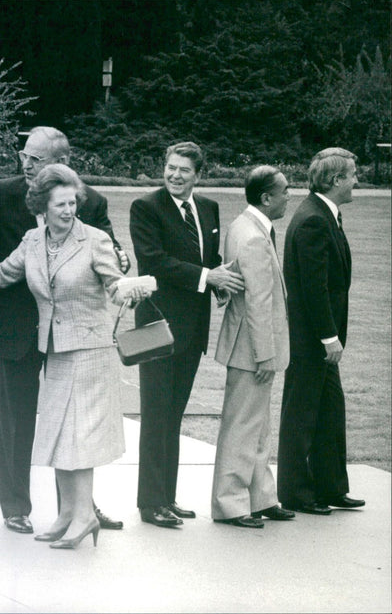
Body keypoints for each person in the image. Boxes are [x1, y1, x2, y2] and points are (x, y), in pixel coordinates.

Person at [0, 126, 128, 534]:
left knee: (72, 422)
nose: (25, 164)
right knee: (16, 419)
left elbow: (111, 252)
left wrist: (121, 266)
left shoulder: (88, 202)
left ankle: (76, 509)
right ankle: (15, 506)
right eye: (24, 155)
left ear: (62, 161)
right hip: (15, 326)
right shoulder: (3, 192)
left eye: (35, 159)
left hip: (70, 335)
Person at [0, 164, 151, 549]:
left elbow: (113, 283)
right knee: (59, 433)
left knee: (80, 437)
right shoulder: (32, 240)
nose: (68, 210)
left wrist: (127, 289)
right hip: (55, 350)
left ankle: (84, 516)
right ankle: (66, 515)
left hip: (89, 350)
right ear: (41, 206)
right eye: (60, 204)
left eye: (72, 202)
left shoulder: (93, 240)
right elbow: (1, 274)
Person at [129, 141, 245, 528]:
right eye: (170, 167)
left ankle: (168, 496)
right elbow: (154, 261)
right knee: (156, 414)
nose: (174, 175)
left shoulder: (208, 208)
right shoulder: (146, 208)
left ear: (198, 175)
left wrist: (219, 282)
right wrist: (205, 277)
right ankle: (150, 503)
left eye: (183, 170)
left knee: (173, 414)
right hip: (155, 325)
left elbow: (206, 258)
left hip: (192, 329)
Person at [277, 147, 365, 515]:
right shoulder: (314, 219)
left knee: (329, 409)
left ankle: (330, 486)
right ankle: (296, 491)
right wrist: (328, 336)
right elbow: (313, 287)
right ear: (334, 180)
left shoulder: (326, 214)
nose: (356, 180)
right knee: (302, 411)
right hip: (311, 337)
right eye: (352, 174)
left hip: (319, 337)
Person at [210, 166, 296, 528]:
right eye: (285, 191)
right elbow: (259, 301)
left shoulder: (245, 225)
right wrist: (265, 354)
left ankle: (261, 497)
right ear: (267, 198)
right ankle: (231, 504)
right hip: (252, 348)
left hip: (248, 344)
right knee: (243, 427)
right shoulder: (254, 236)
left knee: (258, 426)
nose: (289, 196)